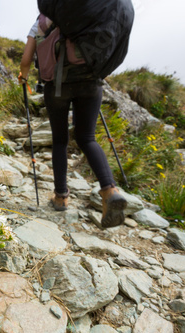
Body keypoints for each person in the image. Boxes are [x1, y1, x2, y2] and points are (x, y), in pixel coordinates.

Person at [18, 15, 128, 228]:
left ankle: (61, 197)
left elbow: (26, 60)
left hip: (57, 86)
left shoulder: (46, 18)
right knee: (87, 138)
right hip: (90, 82)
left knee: (60, 140)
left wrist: (23, 76)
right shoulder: (93, 15)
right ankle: (109, 191)